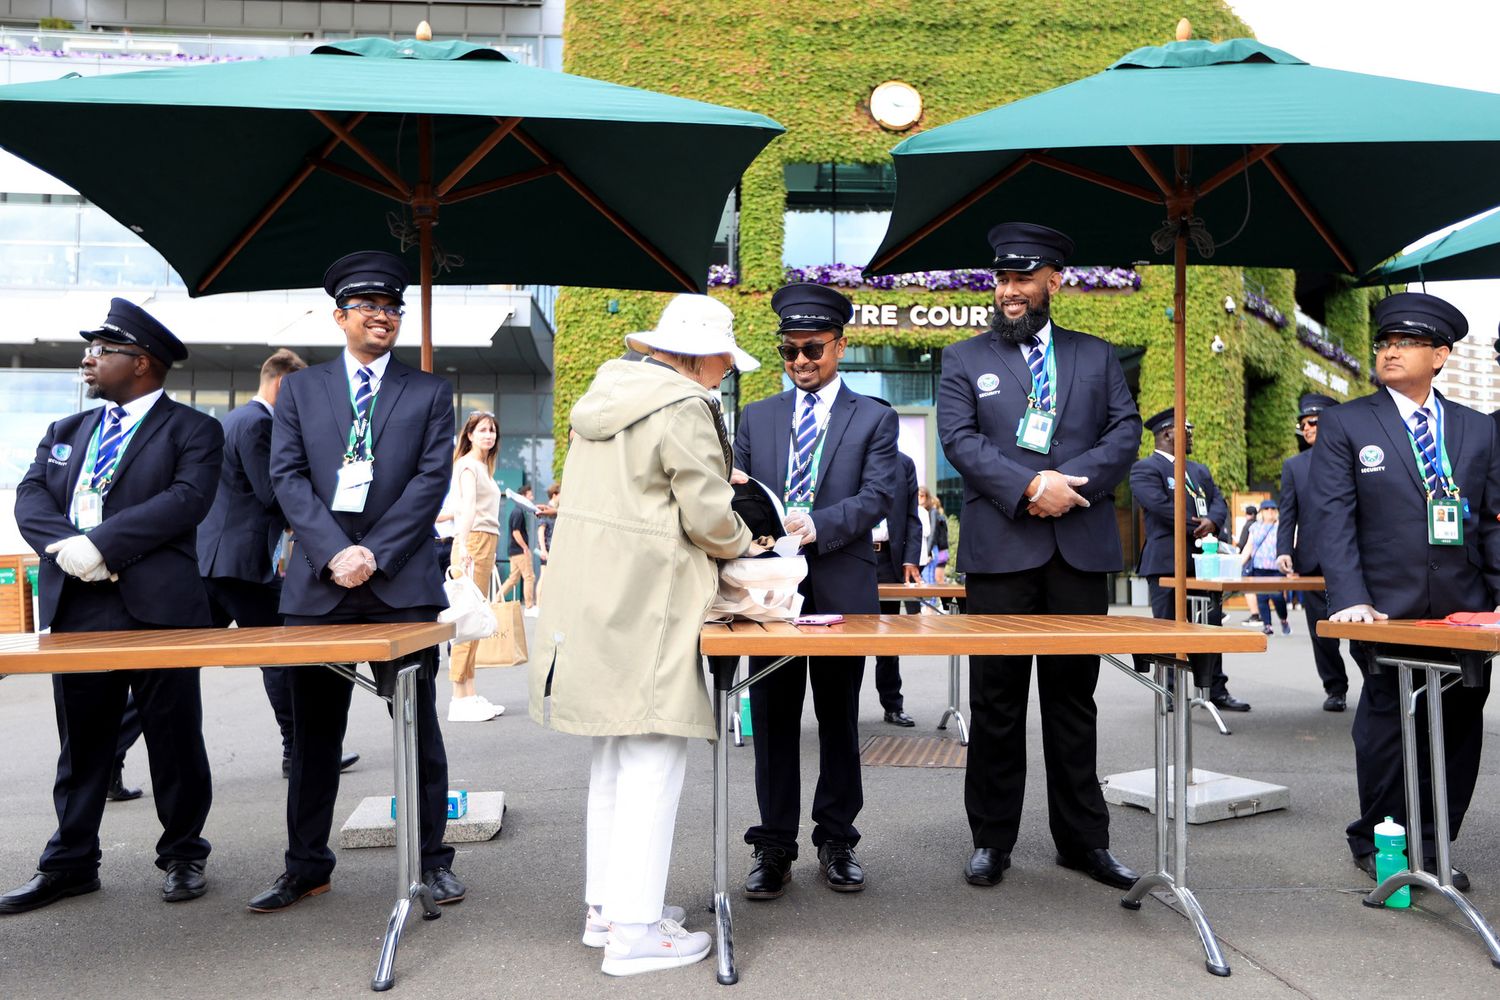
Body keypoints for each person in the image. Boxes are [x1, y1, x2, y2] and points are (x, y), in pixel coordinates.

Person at [530, 294, 761, 976]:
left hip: (592, 595)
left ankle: (609, 910)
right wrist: (752, 538)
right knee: (654, 758)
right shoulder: (685, 406)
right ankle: (633, 932)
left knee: (615, 755)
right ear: (700, 355)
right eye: (724, 360)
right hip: (650, 598)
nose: (726, 372)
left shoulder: (608, 395)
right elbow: (708, 518)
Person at [251, 250, 466, 912]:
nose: (383, 316)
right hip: (319, 586)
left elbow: (431, 480)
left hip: (401, 584)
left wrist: (373, 552)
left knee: (417, 731)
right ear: (339, 317)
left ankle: (431, 860)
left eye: (392, 306)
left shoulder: (428, 392)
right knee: (313, 736)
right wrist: (334, 552)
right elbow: (286, 476)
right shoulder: (300, 390)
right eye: (368, 306)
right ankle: (305, 865)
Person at [937, 222, 1141, 891]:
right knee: (995, 702)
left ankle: (1084, 842)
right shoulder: (963, 358)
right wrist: (1030, 487)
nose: (1009, 290)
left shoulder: (1097, 355)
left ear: (1055, 279)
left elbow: (1125, 431)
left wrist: (1067, 485)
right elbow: (959, 440)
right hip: (1001, 551)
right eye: (1002, 278)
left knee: (1073, 701)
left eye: (1023, 278)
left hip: (1078, 549)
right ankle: (991, 840)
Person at [2, 299, 220, 915]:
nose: (87, 359)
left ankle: (183, 854)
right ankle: (70, 863)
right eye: (90, 349)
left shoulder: (193, 430)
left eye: (101, 350)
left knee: (174, 739)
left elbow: (186, 500)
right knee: (82, 744)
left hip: (158, 611)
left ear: (141, 362)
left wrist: (101, 545)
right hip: (78, 606)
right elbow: (31, 497)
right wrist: (67, 549)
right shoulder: (66, 431)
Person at [1309, 291, 1500, 892]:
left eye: (1408, 343)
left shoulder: (1476, 427)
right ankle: (1380, 839)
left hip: (1465, 610)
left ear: (1440, 356)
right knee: (1389, 724)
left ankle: (1434, 842)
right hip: (1382, 609)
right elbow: (1333, 516)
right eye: (1385, 343)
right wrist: (1349, 596)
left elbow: (1491, 520)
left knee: (1459, 725)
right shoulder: (1347, 422)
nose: (1390, 351)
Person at [733, 281, 897, 898]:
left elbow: (878, 496)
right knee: (774, 719)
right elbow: (737, 493)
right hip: (768, 590)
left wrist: (816, 525)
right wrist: (755, 528)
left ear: (839, 345)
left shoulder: (874, 417)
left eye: (813, 349)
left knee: (838, 719)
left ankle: (837, 840)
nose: (800, 361)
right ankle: (774, 845)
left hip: (840, 583)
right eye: (789, 350)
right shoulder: (757, 416)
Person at [196, 348, 363, 776]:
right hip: (241, 564)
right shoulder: (259, 424)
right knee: (282, 652)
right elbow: (273, 493)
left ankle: (110, 759)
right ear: (284, 384)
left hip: (217, 561)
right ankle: (300, 752)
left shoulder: (234, 419)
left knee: (172, 664)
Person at [1129, 408, 1249, 711]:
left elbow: (1218, 502)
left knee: (1210, 625)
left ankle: (1215, 689)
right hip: (1166, 561)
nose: (1191, 435)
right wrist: (1199, 525)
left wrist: (1213, 521)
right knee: (1169, 627)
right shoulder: (1146, 469)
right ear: (1168, 433)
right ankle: (1169, 691)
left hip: (1203, 562)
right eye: (1187, 430)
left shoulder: (1198, 470)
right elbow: (1159, 507)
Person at [1276, 392, 1350, 711]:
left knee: (1363, 632)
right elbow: (1287, 512)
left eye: (1313, 422)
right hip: (1311, 561)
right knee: (1322, 632)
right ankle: (1335, 688)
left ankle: (1380, 688)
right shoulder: (1294, 466)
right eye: (1303, 424)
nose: (1306, 428)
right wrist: (1283, 550)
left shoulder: (1352, 458)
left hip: (1352, 559)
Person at [447, 410, 505, 723]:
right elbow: (467, 507)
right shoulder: (468, 465)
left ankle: (469, 692)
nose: (488, 435)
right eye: (482, 430)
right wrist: (465, 544)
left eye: (492, 431)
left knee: (476, 620)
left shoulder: (483, 466)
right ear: (469, 434)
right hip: (476, 541)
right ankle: (458, 697)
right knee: (467, 620)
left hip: (485, 540)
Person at [872, 443, 922, 726]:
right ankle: (841, 711)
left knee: (887, 640)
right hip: (851, 558)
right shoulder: (849, 457)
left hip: (887, 561)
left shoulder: (904, 464)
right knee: (843, 638)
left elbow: (913, 517)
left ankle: (892, 705)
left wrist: (910, 559)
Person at [1239, 499, 1290, 635]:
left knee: (1277, 596)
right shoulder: (1255, 527)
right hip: (1259, 568)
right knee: (1261, 598)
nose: (1270, 512)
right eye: (1266, 509)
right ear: (1261, 512)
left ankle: (1283, 619)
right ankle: (1267, 625)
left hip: (1276, 568)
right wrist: (1239, 564)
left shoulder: (1281, 527)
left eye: (1273, 509)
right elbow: (1249, 546)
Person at [500, 483, 538, 616]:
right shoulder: (518, 512)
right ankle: (529, 607)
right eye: (530, 495)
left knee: (513, 579)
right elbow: (516, 532)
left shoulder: (517, 511)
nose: (532, 498)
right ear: (523, 496)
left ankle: (496, 600)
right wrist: (525, 547)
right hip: (520, 552)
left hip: (514, 552)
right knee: (529, 577)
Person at [537, 481, 560, 581]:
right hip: (547, 550)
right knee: (544, 577)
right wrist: (543, 550)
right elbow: (540, 531)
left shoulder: (554, 510)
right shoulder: (547, 511)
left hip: (553, 550)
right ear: (554, 495)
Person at [916, 485, 936, 584]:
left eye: (922, 495)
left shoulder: (930, 511)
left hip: (928, 549)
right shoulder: (916, 510)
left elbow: (931, 533)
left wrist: (928, 552)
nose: (919, 498)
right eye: (917, 495)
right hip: (918, 550)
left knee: (929, 577)